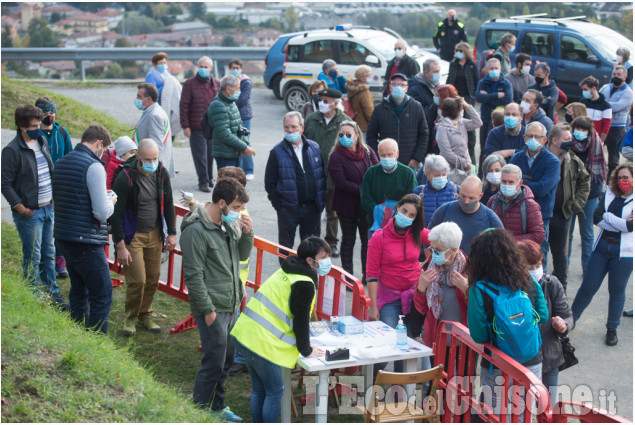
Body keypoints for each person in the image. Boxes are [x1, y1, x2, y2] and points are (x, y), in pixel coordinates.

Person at [231, 237, 329, 423]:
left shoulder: (288, 269)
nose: (327, 262)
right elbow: (300, 320)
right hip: (261, 344)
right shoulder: (304, 283)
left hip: (245, 335)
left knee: (260, 389)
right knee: (275, 391)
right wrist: (306, 350)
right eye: (323, 257)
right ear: (310, 261)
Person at [180, 178, 254, 422]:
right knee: (214, 361)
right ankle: (199, 410)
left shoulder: (228, 224)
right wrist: (207, 311)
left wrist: (247, 232)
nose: (239, 213)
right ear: (221, 203)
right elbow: (193, 275)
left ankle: (217, 406)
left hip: (231, 304)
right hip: (213, 307)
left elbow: (241, 255)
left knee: (227, 360)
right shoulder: (196, 231)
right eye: (235, 208)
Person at [466, 229, 548, 418]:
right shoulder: (528, 280)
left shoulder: (479, 290)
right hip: (531, 359)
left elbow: (478, 335)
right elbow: (543, 316)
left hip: (497, 362)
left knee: (496, 416)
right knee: (521, 415)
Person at [52, 124, 116, 334]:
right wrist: (112, 201)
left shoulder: (62, 162)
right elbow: (101, 212)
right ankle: (96, 341)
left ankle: (77, 334)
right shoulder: (94, 166)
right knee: (103, 293)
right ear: (99, 144)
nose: (103, 154)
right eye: (104, 149)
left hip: (64, 235)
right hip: (85, 240)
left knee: (79, 289)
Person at [1, 104, 67, 307]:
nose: (39, 128)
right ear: (22, 126)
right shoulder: (12, 151)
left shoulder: (41, 141)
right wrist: (19, 206)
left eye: (39, 124)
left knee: (49, 252)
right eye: (34, 125)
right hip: (30, 213)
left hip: (48, 208)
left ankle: (52, 292)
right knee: (33, 254)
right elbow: (5, 183)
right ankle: (32, 293)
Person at [111, 139, 177, 336]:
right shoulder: (125, 178)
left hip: (155, 235)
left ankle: (145, 314)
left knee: (153, 278)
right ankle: (131, 317)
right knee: (137, 280)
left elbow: (170, 204)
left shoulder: (161, 173)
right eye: (148, 159)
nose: (152, 162)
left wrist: (172, 232)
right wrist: (120, 245)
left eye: (155, 158)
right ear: (138, 156)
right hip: (134, 237)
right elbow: (116, 213)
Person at [367, 194, 430, 373]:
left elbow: (439, 239)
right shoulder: (379, 238)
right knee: (386, 346)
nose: (407, 217)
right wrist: (373, 307)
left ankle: (399, 387)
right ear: (397, 208)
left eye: (412, 215)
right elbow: (371, 275)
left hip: (413, 296)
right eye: (404, 211)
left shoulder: (418, 233)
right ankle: (372, 379)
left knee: (407, 346)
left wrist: (426, 262)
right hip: (389, 297)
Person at [571, 163, 633, 346]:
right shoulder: (609, 194)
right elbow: (596, 218)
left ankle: (612, 329)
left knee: (616, 290)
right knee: (588, 287)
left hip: (624, 254)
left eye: (626, 177)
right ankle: (570, 320)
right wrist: (619, 222)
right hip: (601, 248)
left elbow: (629, 228)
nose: (622, 181)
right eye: (619, 177)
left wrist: (608, 217)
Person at [516, 239, 574, 407]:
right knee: (519, 409)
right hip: (521, 360)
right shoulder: (510, 288)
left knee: (547, 409)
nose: (535, 270)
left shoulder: (552, 284)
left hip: (549, 358)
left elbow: (568, 316)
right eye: (529, 267)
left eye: (538, 265)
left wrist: (563, 325)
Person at [265, 111, 326, 256]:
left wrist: (320, 203)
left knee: (312, 250)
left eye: (293, 126)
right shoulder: (276, 152)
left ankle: (309, 277)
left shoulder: (314, 148)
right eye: (286, 127)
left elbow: (321, 176)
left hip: (312, 208)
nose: (290, 130)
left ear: (302, 128)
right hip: (288, 209)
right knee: (285, 250)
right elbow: (270, 183)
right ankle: (286, 276)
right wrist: (279, 207)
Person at [413, 222, 468, 371]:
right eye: (432, 248)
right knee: (437, 386)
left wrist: (466, 289)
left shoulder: (469, 270)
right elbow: (422, 308)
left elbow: (478, 308)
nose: (433, 253)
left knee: (464, 387)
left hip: (464, 343)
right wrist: (421, 289)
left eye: (438, 250)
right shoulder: (430, 267)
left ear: (453, 250)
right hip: (438, 340)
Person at [328, 121, 378, 281]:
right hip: (346, 205)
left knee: (366, 240)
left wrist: (369, 191)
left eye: (348, 135)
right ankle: (348, 276)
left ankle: (366, 275)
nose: (344, 137)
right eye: (341, 134)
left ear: (357, 136)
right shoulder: (336, 155)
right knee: (348, 240)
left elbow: (377, 170)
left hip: (365, 206)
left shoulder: (368, 152)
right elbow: (340, 181)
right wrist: (364, 190)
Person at [545, 124, 590, 292]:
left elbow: (585, 181)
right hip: (541, 214)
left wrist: (576, 204)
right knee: (538, 252)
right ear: (555, 140)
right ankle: (539, 287)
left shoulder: (572, 159)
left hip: (562, 214)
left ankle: (560, 290)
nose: (571, 142)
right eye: (567, 139)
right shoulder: (542, 157)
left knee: (560, 255)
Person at [304, 87, 348, 257]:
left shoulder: (345, 123)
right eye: (320, 100)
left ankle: (331, 243)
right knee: (312, 210)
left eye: (325, 101)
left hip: (333, 176)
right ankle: (312, 242)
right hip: (312, 174)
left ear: (335, 104)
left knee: (332, 212)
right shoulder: (311, 119)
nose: (321, 103)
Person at [510, 122, 560, 264]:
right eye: (530, 136)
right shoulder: (516, 158)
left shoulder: (552, 162)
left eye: (537, 137)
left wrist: (522, 183)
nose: (533, 139)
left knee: (537, 259)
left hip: (540, 216)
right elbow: (510, 183)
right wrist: (530, 183)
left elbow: (542, 189)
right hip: (517, 215)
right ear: (524, 138)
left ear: (544, 140)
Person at [36, 96, 73, 279]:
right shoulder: (34, 134)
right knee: (45, 223)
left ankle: (60, 258)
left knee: (60, 222)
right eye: (45, 113)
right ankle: (44, 258)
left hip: (60, 184)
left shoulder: (62, 133)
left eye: (52, 113)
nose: (49, 116)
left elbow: (70, 156)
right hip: (42, 185)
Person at [568, 116, 608, 272]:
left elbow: (599, 176)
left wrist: (589, 195)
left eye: (583, 130)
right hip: (569, 196)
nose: (580, 132)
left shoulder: (595, 144)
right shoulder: (568, 145)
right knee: (567, 234)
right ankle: (564, 266)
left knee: (587, 234)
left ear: (589, 131)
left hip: (589, 197)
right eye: (577, 128)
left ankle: (588, 268)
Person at [428, 176, 504, 255]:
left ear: (480, 196)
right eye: (463, 196)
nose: (466, 201)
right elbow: (428, 238)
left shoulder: (490, 218)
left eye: (471, 198)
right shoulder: (444, 210)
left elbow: (502, 248)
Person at [366, 73, 429, 168]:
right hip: (386, 161)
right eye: (395, 84)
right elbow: (371, 135)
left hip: (409, 162)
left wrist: (417, 157)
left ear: (407, 88)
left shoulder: (416, 107)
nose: (398, 87)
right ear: (390, 88)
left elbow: (423, 134)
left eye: (402, 85)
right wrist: (377, 157)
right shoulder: (380, 108)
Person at [180, 56, 221, 192]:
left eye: (206, 66)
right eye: (201, 66)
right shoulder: (190, 83)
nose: (203, 69)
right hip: (196, 126)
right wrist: (185, 125)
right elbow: (184, 105)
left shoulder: (216, 83)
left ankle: (209, 179)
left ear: (211, 68)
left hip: (212, 127)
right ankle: (202, 181)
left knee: (210, 154)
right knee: (200, 155)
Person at [360, 138, 418, 230]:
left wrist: (395, 213)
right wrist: (379, 211)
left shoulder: (408, 173)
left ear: (397, 154)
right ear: (378, 154)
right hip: (375, 223)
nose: (386, 158)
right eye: (383, 155)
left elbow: (412, 198)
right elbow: (365, 198)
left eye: (390, 154)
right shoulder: (371, 172)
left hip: (400, 223)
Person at [487, 164, 545, 244]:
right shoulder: (492, 201)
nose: (507, 185)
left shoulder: (530, 205)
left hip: (519, 254)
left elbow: (539, 235)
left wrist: (508, 240)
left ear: (520, 183)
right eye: (504, 181)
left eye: (511, 182)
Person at [208, 75, 255, 170]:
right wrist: (244, 148)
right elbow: (225, 134)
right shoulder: (218, 105)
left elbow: (240, 125)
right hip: (225, 155)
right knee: (228, 183)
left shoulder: (231, 102)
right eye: (237, 88)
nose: (239, 91)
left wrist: (244, 143)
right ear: (228, 88)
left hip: (235, 152)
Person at [475, 58, 513, 170]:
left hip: (501, 121)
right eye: (491, 68)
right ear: (487, 69)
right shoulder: (482, 82)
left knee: (499, 149)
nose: (494, 70)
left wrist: (487, 97)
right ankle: (482, 174)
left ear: (500, 69)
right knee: (484, 150)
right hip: (486, 120)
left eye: (496, 68)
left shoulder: (506, 83)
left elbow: (508, 99)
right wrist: (497, 95)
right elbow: (478, 97)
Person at [446, 41, 480, 164]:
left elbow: (476, 81)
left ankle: (471, 161)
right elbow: (449, 79)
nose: (458, 53)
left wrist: (476, 97)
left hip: (468, 96)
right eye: (457, 51)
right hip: (455, 96)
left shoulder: (472, 65)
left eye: (461, 51)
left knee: (467, 123)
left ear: (466, 52)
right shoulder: (453, 64)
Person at [435, 96, 482, 184]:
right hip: (452, 169)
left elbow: (478, 122)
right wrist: (464, 164)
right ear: (455, 112)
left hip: (466, 168)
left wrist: (467, 105)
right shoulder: (442, 128)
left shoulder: (460, 122)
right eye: (461, 109)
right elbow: (447, 153)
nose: (462, 111)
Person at [133, 83, 174, 178]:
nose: (136, 99)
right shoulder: (153, 110)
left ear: (149, 99)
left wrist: (153, 170)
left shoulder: (154, 115)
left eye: (139, 96)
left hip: (152, 168)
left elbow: (156, 145)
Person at [599, 65, 633, 176]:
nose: (615, 76)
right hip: (602, 125)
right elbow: (596, 100)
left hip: (616, 128)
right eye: (614, 74)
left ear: (625, 76)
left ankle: (611, 184)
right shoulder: (605, 87)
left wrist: (602, 103)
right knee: (596, 155)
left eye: (619, 74)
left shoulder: (628, 92)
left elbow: (617, 107)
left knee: (613, 159)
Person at [413, 155, 458, 228]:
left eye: (444, 174)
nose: (441, 178)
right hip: (425, 235)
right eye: (437, 175)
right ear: (427, 174)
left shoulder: (457, 191)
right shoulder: (419, 192)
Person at [229, 59, 255, 181]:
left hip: (244, 115)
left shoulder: (246, 82)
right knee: (235, 143)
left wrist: (230, 106)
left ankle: (249, 170)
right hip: (232, 116)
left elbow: (243, 98)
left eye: (237, 68)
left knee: (245, 142)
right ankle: (238, 170)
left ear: (241, 68)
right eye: (233, 68)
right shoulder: (228, 81)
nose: (235, 70)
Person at [408, 59, 441, 145]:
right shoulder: (415, 89)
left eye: (439, 71)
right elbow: (419, 113)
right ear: (426, 73)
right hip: (423, 134)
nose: (438, 74)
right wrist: (435, 105)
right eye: (435, 71)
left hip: (434, 132)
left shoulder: (436, 85)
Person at [578, 75, 611, 142]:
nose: (584, 92)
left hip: (595, 140)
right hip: (581, 138)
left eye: (585, 89)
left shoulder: (606, 106)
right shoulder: (582, 102)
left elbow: (606, 127)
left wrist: (600, 142)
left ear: (593, 88)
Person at [345, 65, 374, 136]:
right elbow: (368, 109)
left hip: (354, 120)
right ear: (362, 77)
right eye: (368, 75)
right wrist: (373, 122)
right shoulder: (364, 91)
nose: (370, 77)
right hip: (363, 124)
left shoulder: (352, 86)